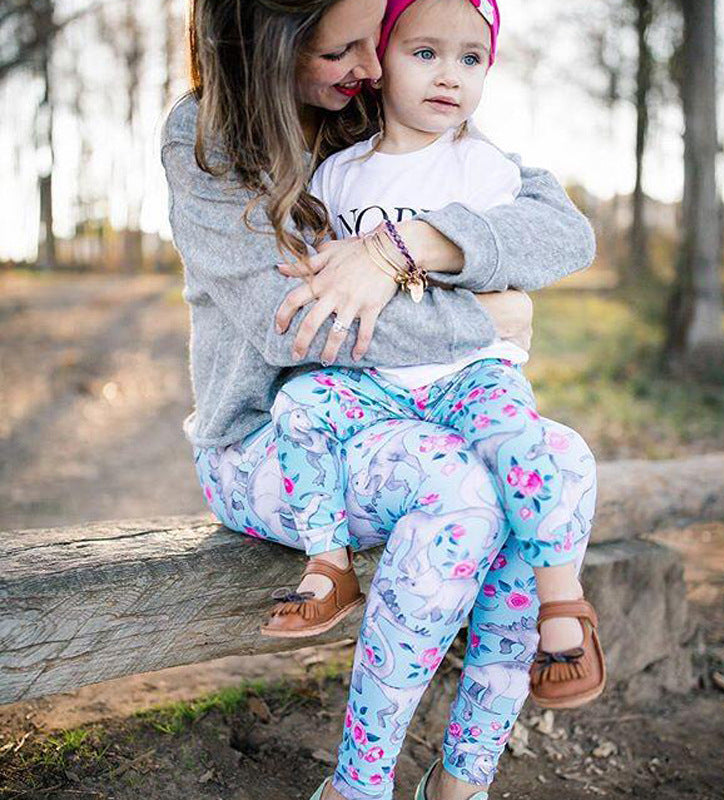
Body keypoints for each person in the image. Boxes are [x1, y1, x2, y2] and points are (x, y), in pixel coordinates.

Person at [160, 1, 599, 798]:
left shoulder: (385, 101)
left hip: (406, 414)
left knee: (554, 461)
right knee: (461, 490)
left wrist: (405, 245)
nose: (368, 67)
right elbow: (294, 324)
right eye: (343, 50)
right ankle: (358, 784)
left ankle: (463, 779)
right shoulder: (208, 138)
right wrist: (484, 318)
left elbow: (561, 230)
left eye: (377, 43)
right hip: (270, 439)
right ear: (272, 43)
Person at [259, 0, 606, 723]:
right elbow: (317, 273)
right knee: (299, 405)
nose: (450, 75)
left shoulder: (485, 169)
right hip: (374, 379)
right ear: (378, 63)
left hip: (471, 370)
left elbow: (521, 251)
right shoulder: (337, 176)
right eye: (425, 53)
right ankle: (328, 564)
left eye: (471, 59)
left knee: (522, 442)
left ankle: (560, 601)